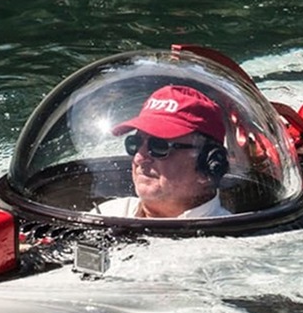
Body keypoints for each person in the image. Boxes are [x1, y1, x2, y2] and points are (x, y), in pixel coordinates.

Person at [96, 85, 231, 218]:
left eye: (159, 146)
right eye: (134, 143)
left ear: (209, 165)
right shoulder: (106, 214)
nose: (139, 158)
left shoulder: (234, 238)